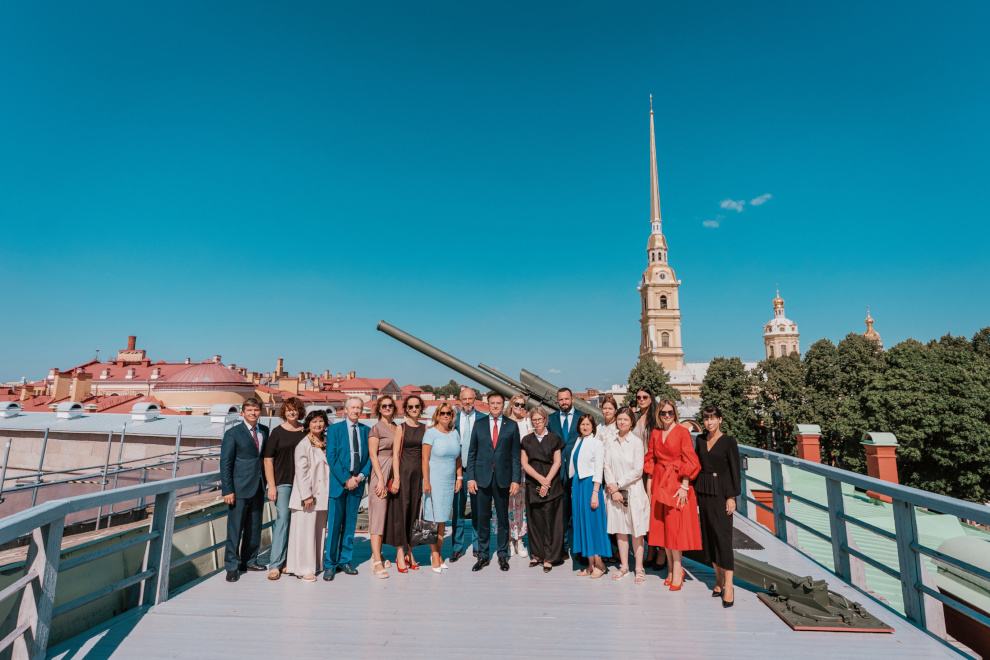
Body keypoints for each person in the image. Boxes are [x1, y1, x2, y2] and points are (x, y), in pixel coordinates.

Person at [645, 399, 702, 591]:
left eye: (670, 412)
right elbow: (651, 458)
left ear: (675, 413)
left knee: (675, 530)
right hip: (659, 482)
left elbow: (691, 460)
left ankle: (678, 570)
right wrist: (649, 483)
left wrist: (685, 486)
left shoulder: (682, 432)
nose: (667, 416)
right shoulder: (656, 433)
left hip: (677, 483)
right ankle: (671, 569)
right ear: (659, 415)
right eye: (663, 413)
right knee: (664, 529)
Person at [465, 391, 521, 572]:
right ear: (488, 405)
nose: (496, 406)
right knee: (482, 518)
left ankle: (503, 555)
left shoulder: (511, 425)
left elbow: (515, 456)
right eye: (493, 403)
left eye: (499, 403)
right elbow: (472, 453)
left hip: (504, 478)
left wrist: (516, 480)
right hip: (482, 478)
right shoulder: (479, 424)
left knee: (503, 519)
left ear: (503, 405)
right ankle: (483, 556)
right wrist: (470, 478)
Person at [695, 405, 741, 608]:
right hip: (703, 493)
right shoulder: (700, 440)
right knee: (709, 538)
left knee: (723, 539)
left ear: (720, 420)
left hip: (722, 494)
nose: (709, 422)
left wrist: (731, 497)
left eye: (713, 418)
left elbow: (734, 470)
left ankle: (729, 586)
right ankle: (718, 579)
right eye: (706, 419)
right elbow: (695, 465)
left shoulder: (729, 441)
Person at [220, 397, 270, 583]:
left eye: (256, 410)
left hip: (258, 486)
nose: (253, 413)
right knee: (235, 529)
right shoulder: (233, 433)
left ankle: (249, 561)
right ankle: (232, 566)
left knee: (254, 527)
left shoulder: (264, 430)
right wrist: (228, 490)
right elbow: (226, 463)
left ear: (260, 411)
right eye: (249, 410)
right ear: (243, 413)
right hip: (238, 488)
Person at [323, 397, 370, 581]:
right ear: (346, 409)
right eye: (353, 407)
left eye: (359, 408)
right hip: (339, 483)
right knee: (334, 526)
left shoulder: (366, 431)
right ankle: (330, 564)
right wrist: (346, 479)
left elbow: (370, 458)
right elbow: (331, 457)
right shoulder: (334, 430)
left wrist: (359, 477)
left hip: (357, 483)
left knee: (350, 525)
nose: (356, 411)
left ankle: (345, 561)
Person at [603, 407, 650, 584]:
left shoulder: (636, 442)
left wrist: (619, 484)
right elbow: (606, 466)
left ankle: (639, 567)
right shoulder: (610, 440)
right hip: (615, 493)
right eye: (620, 419)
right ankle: (624, 566)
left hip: (633, 491)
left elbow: (638, 470)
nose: (622, 422)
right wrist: (614, 489)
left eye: (626, 419)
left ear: (631, 422)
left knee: (637, 530)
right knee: (621, 530)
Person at [261, 397, 307, 581]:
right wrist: (272, 486)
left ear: (300, 411)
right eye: (288, 410)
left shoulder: (306, 430)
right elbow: (268, 460)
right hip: (283, 482)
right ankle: (275, 564)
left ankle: (291, 561)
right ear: (284, 412)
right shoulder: (277, 432)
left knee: (299, 522)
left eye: (295, 409)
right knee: (283, 520)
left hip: (303, 484)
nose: (292, 412)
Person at [285, 410, 331, 582]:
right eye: (314, 422)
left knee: (317, 532)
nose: (318, 424)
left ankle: (315, 564)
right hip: (308, 496)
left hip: (322, 493)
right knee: (304, 533)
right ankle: (303, 568)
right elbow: (301, 472)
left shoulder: (326, 442)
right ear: (308, 425)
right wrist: (306, 495)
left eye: (321, 421)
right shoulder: (304, 444)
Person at [520, 406, 565, 572]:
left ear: (545, 420)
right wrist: (540, 480)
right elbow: (524, 463)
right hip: (533, 483)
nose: (537, 422)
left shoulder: (554, 438)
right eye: (534, 420)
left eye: (540, 419)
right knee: (535, 520)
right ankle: (537, 554)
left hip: (552, 483)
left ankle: (549, 557)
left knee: (550, 520)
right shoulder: (526, 440)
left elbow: (557, 462)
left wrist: (547, 482)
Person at [385, 394, 425, 572]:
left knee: (414, 513)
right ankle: (400, 552)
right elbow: (395, 454)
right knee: (401, 513)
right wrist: (396, 478)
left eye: (417, 406)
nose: (414, 409)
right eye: (410, 407)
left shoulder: (425, 428)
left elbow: (426, 455)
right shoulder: (401, 428)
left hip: (418, 476)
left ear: (421, 408)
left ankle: (410, 551)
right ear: (406, 409)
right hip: (403, 474)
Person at [422, 401, 462, 574]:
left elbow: (458, 457)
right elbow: (424, 459)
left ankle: (438, 553)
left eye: (448, 413)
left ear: (452, 416)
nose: (445, 416)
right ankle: (435, 555)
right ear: (437, 415)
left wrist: (459, 477)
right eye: (442, 413)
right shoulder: (430, 433)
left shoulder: (454, 433)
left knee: (443, 519)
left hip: (449, 480)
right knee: (433, 518)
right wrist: (426, 481)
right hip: (434, 478)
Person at [569, 414, 610, 578]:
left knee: (593, 523)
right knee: (583, 524)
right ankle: (591, 564)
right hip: (578, 485)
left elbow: (599, 469)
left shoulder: (597, 443)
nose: (585, 427)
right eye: (582, 424)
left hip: (590, 485)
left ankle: (600, 564)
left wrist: (595, 493)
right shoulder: (578, 441)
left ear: (593, 426)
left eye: (588, 424)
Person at [368, 395, 402, 578]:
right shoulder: (376, 428)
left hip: (394, 471)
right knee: (378, 515)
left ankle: (378, 554)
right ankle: (376, 562)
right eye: (384, 406)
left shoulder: (396, 427)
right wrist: (380, 479)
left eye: (390, 405)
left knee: (388, 515)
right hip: (380, 470)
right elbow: (373, 455)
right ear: (379, 409)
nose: (387, 408)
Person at [452, 387, 486, 562]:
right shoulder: (453, 419)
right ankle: (457, 547)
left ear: (475, 399)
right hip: (458, 470)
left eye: (470, 399)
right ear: (460, 400)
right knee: (458, 510)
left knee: (477, 509)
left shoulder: (483, 419)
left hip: (477, 470)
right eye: (464, 399)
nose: (467, 402)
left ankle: (478, 546)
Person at [633, 386, 665, 571]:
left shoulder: (657, 418)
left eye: (645, 397)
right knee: (644, 511)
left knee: (656, 511)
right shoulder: (635, 417)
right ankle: (650, 549)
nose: (641, 400)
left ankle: (660, 550)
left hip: (654, 469)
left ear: (651, 398)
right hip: (639, 471)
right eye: (638, 397)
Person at [505, 393, 532, 558]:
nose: (520, 407)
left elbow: (531, 445)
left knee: (521, 506)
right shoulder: (505, 422)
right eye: (517, 404)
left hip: (523, 469)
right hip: (507, 468)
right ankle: (509, 540)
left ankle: (520, 540)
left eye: (522, 405)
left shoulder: (527, 422)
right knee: (507, 505)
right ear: (511, 405)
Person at [596, 395, 621, 564]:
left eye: (610, 408)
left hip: (614, 473)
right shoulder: (599, 428)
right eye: (604, 408)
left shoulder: (618, 428)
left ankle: (619, 550)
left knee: (616, 513)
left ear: (615, 410)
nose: (607, 411)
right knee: (605, 514)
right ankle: (607, 549)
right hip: (601, 474)